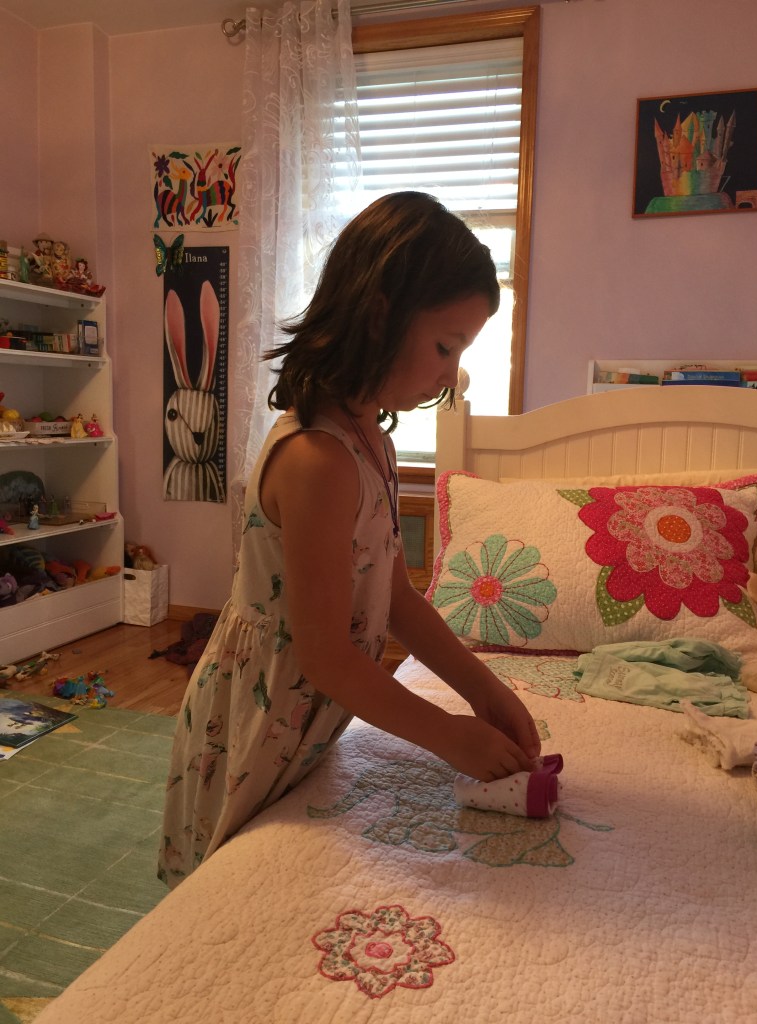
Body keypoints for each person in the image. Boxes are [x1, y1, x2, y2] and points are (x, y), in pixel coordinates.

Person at [158, 191, 541, 890]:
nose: (448, 373)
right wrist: (451, 737)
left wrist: (480, 689)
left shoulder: (372, 441)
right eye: (444, 346)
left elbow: (393, 595)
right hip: (262, 714)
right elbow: (327, 656)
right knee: (232, 887)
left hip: (306, 714)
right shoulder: (318, 460)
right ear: (380, 314)